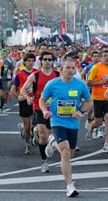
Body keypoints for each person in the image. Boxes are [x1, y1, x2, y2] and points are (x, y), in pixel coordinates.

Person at [39, 58, 92, 198]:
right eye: (67, 68)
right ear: (61, 70)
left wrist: (81, 111)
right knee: (66, 152)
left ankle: (52, 143)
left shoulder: (80, 85)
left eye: (73, 68)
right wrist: (45, 111)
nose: (70, 71)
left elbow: (89, 101)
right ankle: (69, 186)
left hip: (73, 123)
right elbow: (42, 100)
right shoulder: (53, 84)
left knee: (70, 153)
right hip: (57, 121)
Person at [20, 50, 59, 173]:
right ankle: (44, 162)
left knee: (50, 135)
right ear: (41, 61)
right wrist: (28, 97)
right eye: (45, 59)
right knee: (43, 135)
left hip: (54, 109)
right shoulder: (35, 75)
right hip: (39, 107)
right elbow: (23, 89)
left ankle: (38, 134)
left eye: (49, 59)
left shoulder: (58, 75)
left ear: (53, 62)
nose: (47, 62)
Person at [87, 49, 108, 152]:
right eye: (104, 56)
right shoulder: (96, 68)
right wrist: (101, 82)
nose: (107, 58)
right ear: (101, 57)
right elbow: (89, 83)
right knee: (98, 121)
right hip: (97, 98)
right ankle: (91, 127)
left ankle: (106, 144)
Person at [12, 52, 36, 154]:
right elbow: (13, 90)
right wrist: (19, 97)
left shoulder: (37, 72)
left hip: (36, 101)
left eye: (32, 61)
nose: (31, 63)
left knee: (35, 124)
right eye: (28, 61)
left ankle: (33, 135)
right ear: (24, 62)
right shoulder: (20, 74)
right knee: (27, 126)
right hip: (25, 101)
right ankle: (27, 144)